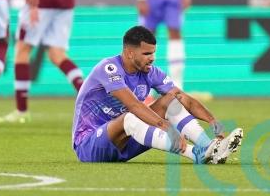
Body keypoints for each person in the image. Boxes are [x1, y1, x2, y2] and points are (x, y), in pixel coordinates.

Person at [72, 25, 243, 163]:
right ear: (130, 53)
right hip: (90, 145)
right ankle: (195, 154)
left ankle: (209, 148)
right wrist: (168, 128)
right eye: (146, 53)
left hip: (126, 142)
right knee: (129, 117)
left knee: (170, 101)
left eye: (153, 52)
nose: (152, 58)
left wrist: (212, 120)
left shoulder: (151, 72)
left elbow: (184, 98)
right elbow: (134, 105)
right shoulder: (109, 68)